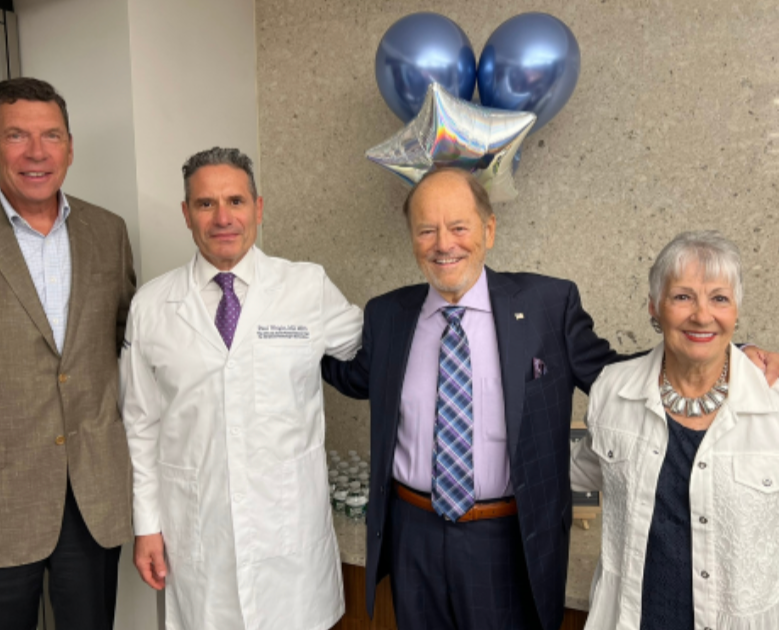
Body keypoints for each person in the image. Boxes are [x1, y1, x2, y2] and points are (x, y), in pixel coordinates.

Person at [321, 169, 779, 630]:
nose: (444, 244)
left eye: (459, 227)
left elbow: (617, 374)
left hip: (508, 541)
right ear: (412, 239)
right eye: (427, 230)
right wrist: (291, 348)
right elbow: (354, 376)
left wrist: (721, 351)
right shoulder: (388, 314)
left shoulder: (547, 304)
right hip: (412, 536)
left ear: (489, 230)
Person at [120, 147, 362, 630]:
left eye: (235, 201)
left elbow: (377, 349)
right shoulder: (151, 305)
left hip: (290, 538)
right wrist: (146, 526)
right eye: (206, 204)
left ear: (258, 207)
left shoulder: (306, 287)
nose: (223, 218)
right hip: (199, 535)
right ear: (186, 213)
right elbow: (140, 425)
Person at [0, 78, 136, 630]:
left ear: (70, 147)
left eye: (51, 136)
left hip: (92, 499)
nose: (36, 152)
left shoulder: (108, 232)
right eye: (16, 135)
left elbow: (130, 350)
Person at [571, 230, 779, 629]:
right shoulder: (613, 390)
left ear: (736, 309)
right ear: (654, 306)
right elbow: (579, 471)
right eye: (683, 297)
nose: (702, 315)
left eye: (719, 298)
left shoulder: (771, 402)